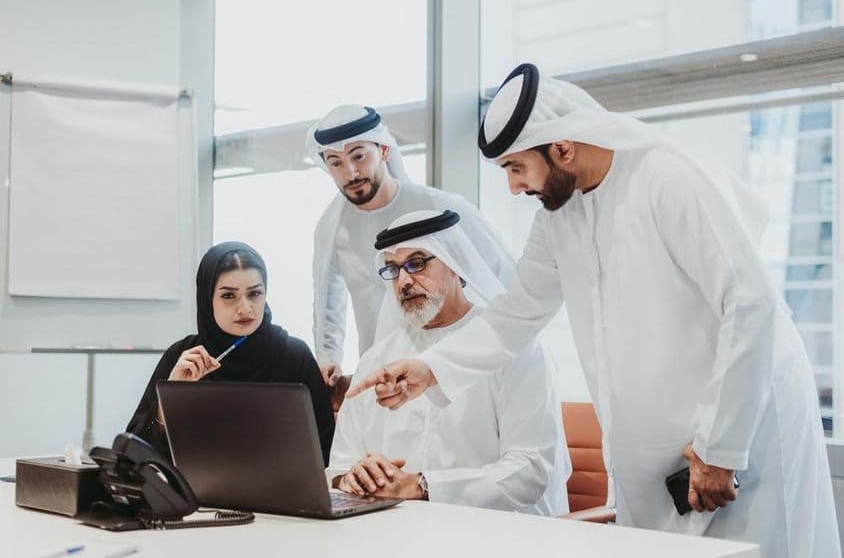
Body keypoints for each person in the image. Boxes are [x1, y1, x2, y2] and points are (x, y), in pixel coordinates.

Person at [348, 64, 840, 556]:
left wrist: (722, 446)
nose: (514, 187)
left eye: (516, 168)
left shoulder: (666, 178)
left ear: (562, 148)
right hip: (664, 461)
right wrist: (430, 369)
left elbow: (750, 302)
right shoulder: (559, 216)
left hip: (744, 434)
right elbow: (517, 312)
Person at [328, 210, 569, 515]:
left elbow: (530, 468)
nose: (403, 281)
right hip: (389, 530)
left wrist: (422, 486)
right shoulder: (375, 360)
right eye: (393, 269)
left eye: (417, 263)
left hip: (491, 529)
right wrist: (352, 476)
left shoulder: (513, 347)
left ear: (454, 263)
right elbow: (340, 463)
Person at [307, 104, 515, 396]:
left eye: (358, 156)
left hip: (451, 372)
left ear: (384, 150)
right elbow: (328, 298)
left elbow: (505, 278)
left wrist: (504, 348)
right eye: (336, 163)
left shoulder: (441, 209)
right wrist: (328, 356)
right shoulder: (332, 228)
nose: (350, 173)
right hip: (382, 379)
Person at [127, 242, 335, 465]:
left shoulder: (293, 356)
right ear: (207, 299)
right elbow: (134, 452)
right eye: (228, 296)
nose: (245, 308)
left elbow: (328, 449)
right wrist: (166, 403)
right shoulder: (184, 357)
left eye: (255, 293)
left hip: (284, 487)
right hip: (193, 488)